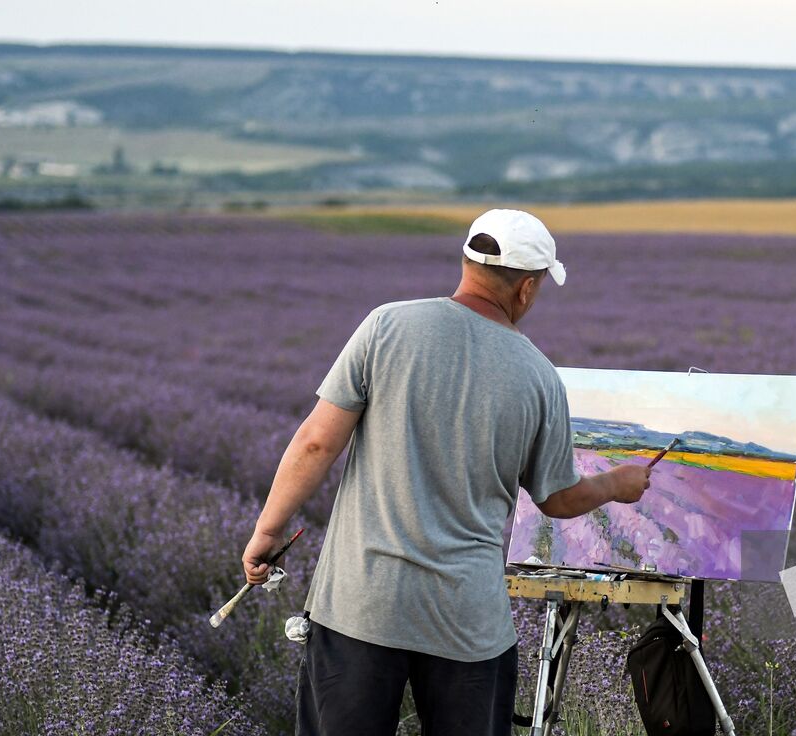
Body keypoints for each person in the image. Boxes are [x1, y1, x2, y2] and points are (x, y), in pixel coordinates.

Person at [240, 208, 650, 736]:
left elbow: (317, 442)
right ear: (527, 288)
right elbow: (557, 499)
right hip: (466, 620)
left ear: (466, 261)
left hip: (362, 603)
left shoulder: (387, 325)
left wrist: (268, 532)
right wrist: (617, 484)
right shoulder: (539, 377)